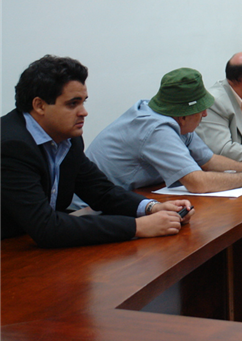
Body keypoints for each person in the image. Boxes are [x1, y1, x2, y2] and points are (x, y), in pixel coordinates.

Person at [0, 55, 193, 248]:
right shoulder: (11, 146)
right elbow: (46, 227)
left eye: (83, 102)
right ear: (39, 105)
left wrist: (152, 208)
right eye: (72, 104)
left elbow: (101, 191)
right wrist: (137, 226)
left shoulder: (68, 139)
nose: (84, 112)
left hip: (28, 244)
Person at [87, 67, 242, 193]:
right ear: (183, 114)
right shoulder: (156, 129)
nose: (205, 114)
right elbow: (197, 183)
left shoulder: (175, 120)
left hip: (132, 196)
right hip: (89, 209)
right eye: (200, 110)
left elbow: (208, 159)